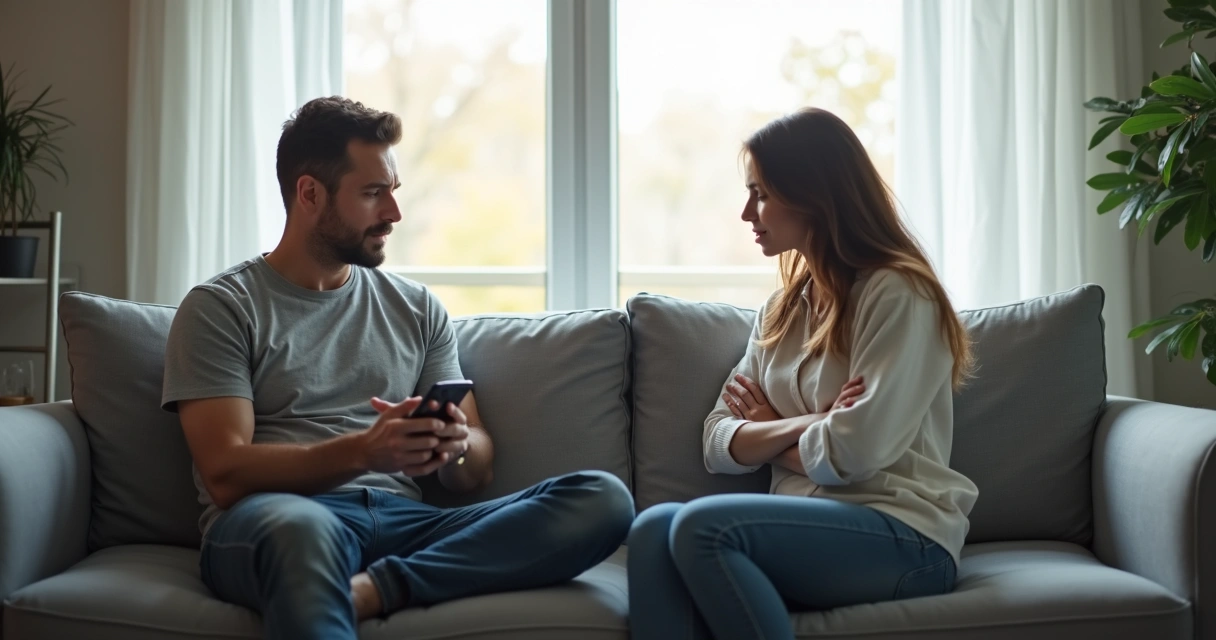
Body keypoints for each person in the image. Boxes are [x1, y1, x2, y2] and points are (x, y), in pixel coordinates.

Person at [161, 96, 634, 640]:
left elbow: (475, 467)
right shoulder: (222, 307)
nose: (393, 213)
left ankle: (376, 589)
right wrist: (364, 450)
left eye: (393, 191)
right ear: (309, 193)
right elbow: (225, 474)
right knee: (304, 531)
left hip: (403, 522)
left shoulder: (416, 308)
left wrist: (452, 443)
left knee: (600, 498)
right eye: (372, 193)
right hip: (278, 518)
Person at [626, 108, 980, 640]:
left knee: (703, 526)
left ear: (815, 195)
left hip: (904, 536)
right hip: (799, 527)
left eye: (761, 192)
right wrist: (806, 423)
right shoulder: (781, 310)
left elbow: (854, 455)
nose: (748, 212)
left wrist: (767, 432)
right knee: (653, 528)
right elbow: (718, 442)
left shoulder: (898, 292)